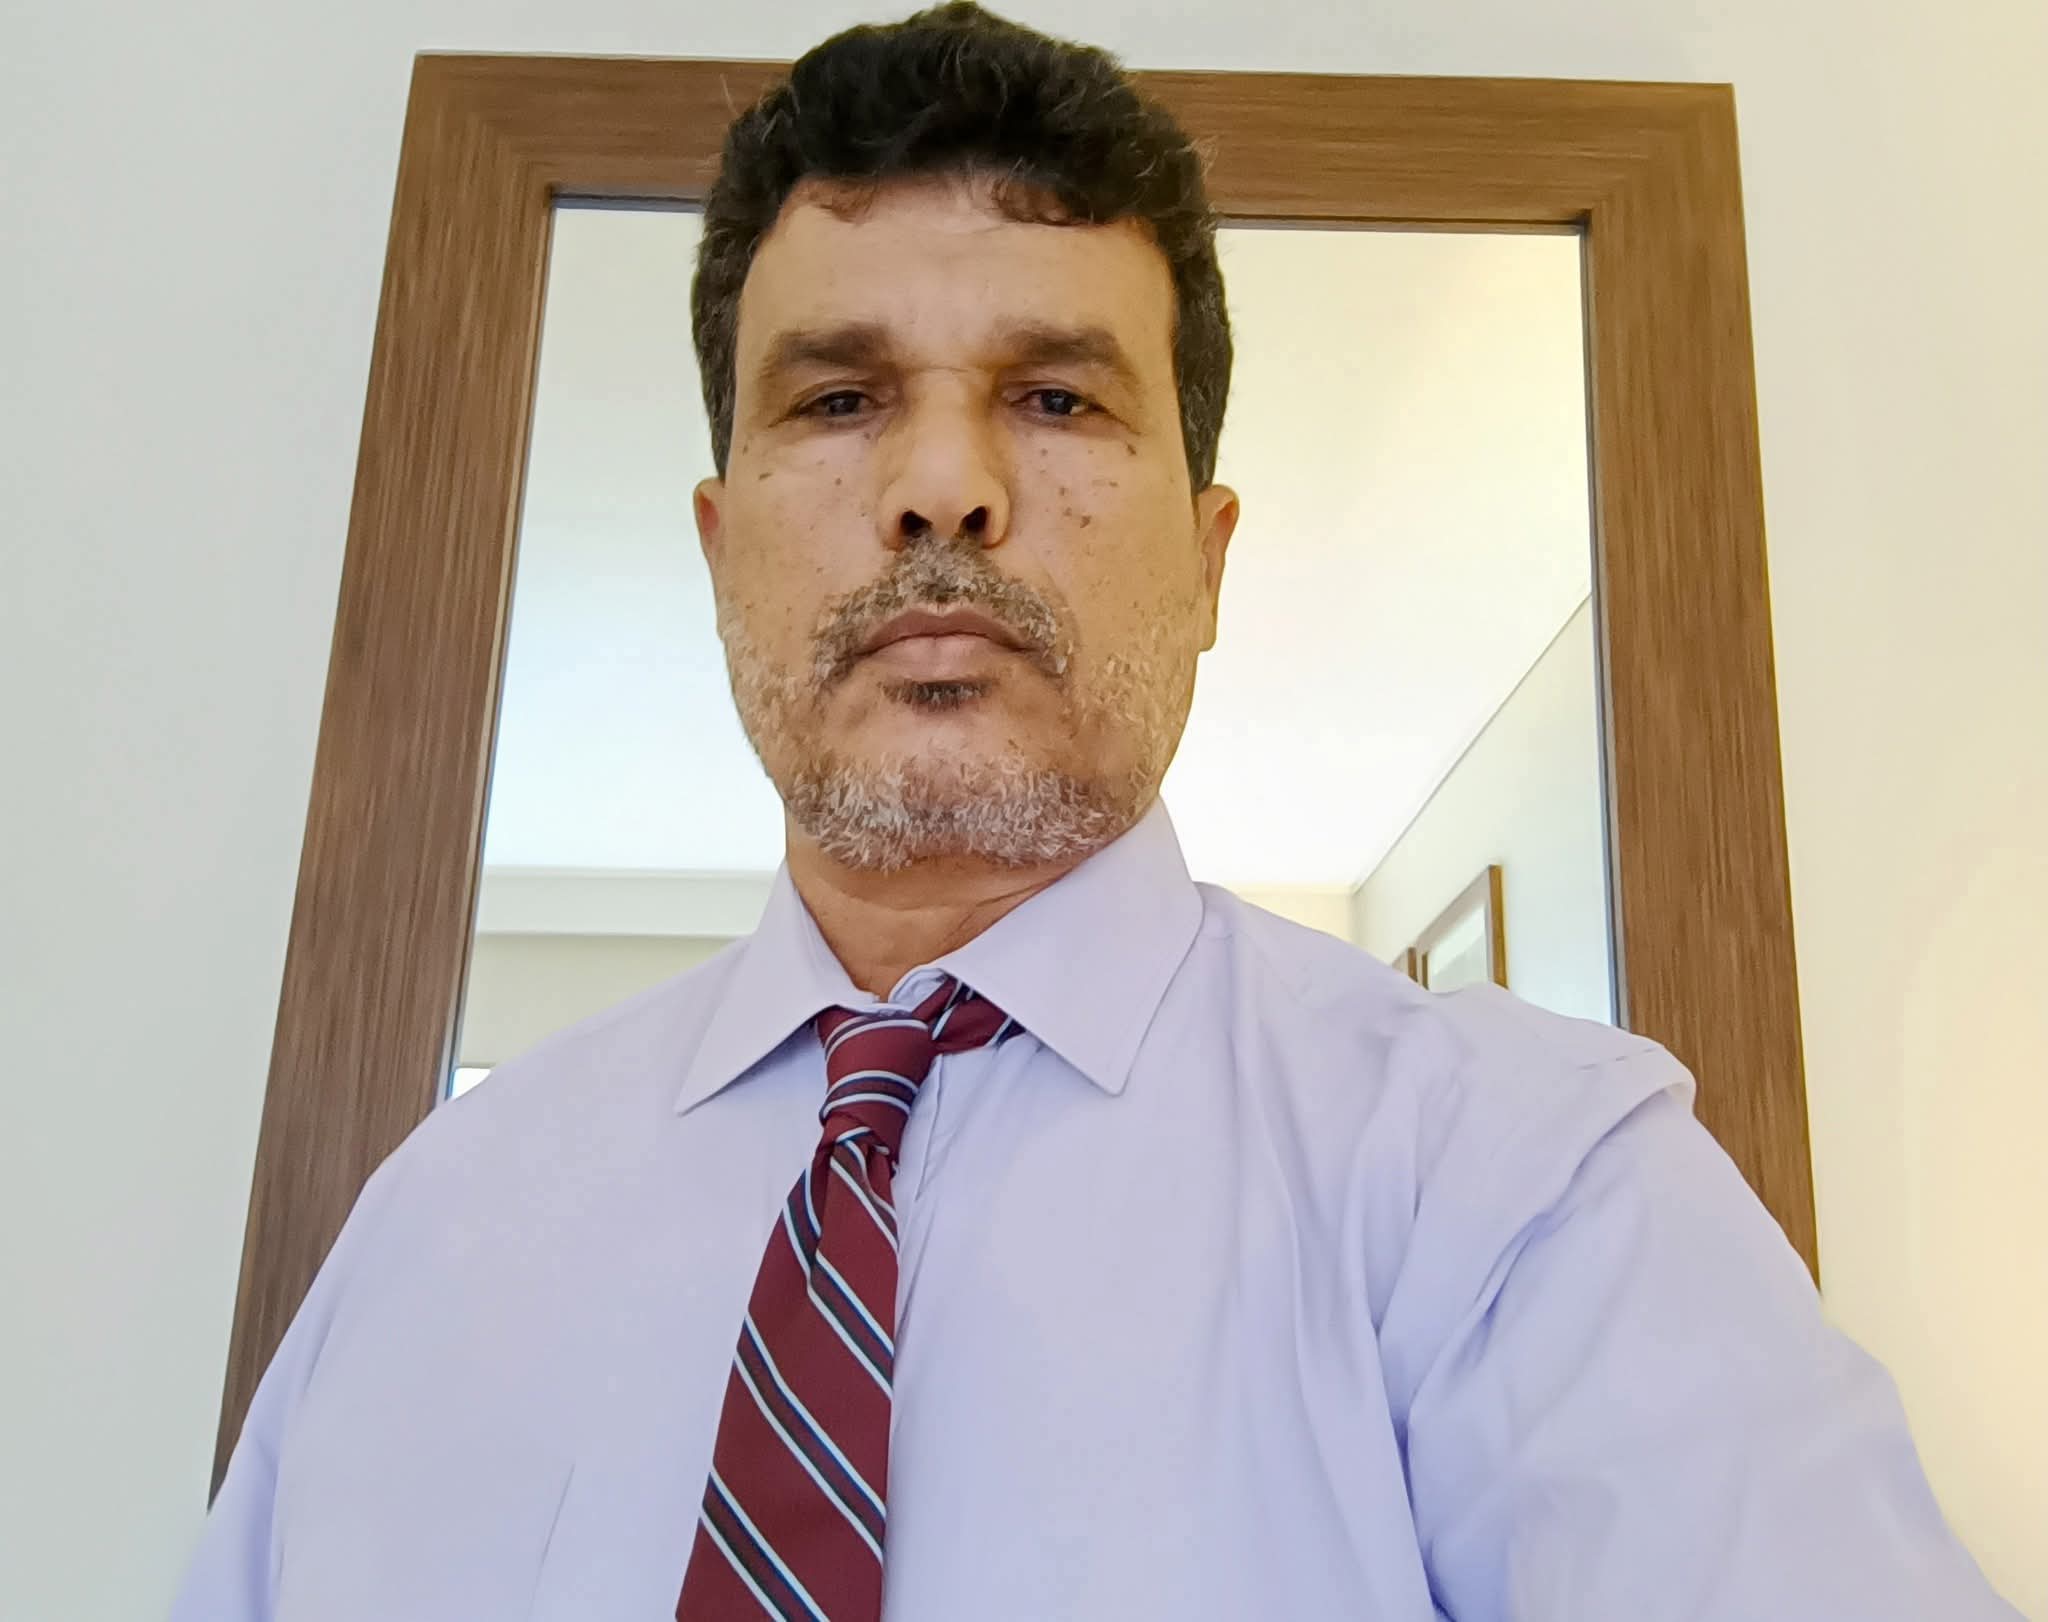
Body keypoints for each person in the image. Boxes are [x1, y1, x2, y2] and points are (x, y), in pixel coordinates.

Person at [174, 6, 2019, 1619]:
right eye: (840, 397)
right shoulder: (429, 1236)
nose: (943, 485)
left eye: (1055, 397)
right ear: (723, 556)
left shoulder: (1520, 1193)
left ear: (1208, 563)